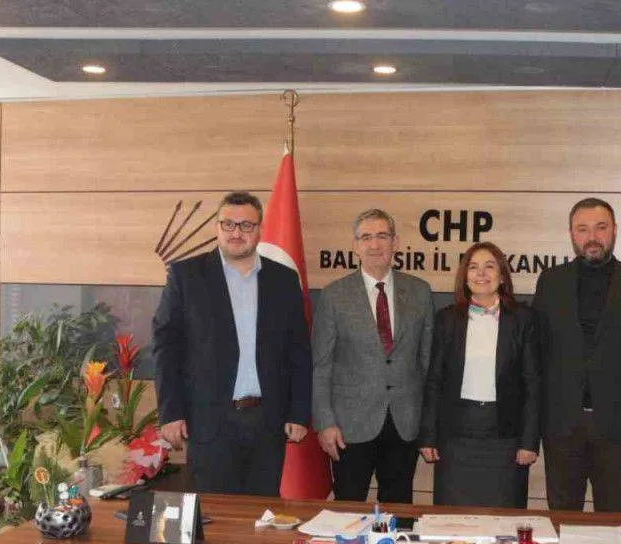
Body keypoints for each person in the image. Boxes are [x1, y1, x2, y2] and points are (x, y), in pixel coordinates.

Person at [152, 191, 312, 495]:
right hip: (209, 422)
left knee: (263, 514)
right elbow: (166, 348)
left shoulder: (283, 279)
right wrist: (170, 412)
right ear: (217, 227)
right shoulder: (186, 276)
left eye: (246, 225)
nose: (236, 233)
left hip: (267, 422)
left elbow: (299, 352)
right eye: (228, 224)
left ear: (259, 229)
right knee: (213, 514)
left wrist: (299, 412)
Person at [532, 197, 621, 512]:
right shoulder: (550, 282)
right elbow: (537, 355)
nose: (592, 237)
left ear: (614, 230)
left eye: (601, 227)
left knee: (614, 518)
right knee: (561, 517)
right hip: (562, 425)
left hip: (617, 427)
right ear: (571, 234)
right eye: (583, 229)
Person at [312, 209, 434, 503]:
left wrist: (429, 425)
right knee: (347, 513)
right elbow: (321, 366)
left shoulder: (420, 292)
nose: (375, 244)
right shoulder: (333, 295)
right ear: (355, 245)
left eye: (382, 236)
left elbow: (427, 362)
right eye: (366, 237)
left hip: (405, 423)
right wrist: (324, 422)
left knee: (399, 512)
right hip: (349, 426)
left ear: (396, 242)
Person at [418, 242, 541, 508]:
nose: (481, 274)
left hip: (505, 439)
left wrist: (529, 441)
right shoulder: (447, 319)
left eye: (489, 266)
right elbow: (434, 380)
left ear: (502, 275)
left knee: (503, 519)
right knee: (453, 519)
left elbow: (532, 384)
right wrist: (428, 435)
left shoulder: (523, 319)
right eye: (473, 267)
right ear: (465, 276)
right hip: (455, 439)